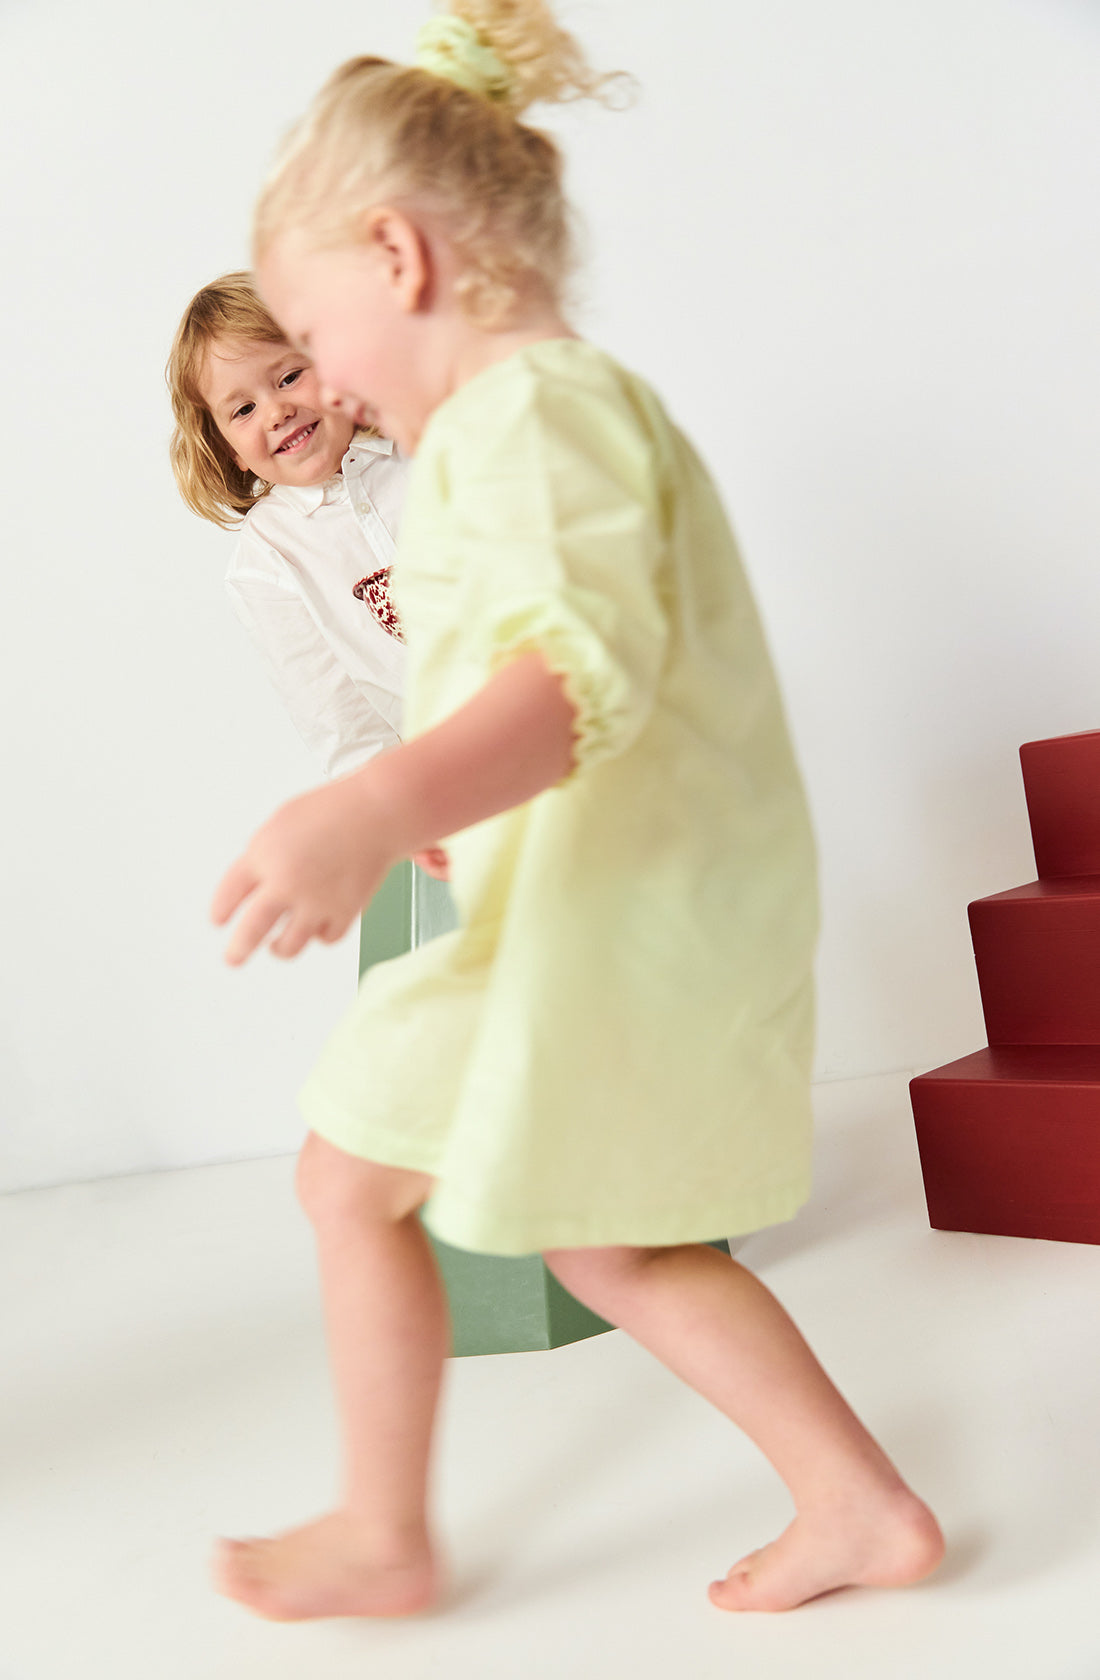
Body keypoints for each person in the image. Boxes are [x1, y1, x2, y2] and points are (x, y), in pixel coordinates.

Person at [210, 0, 945, 1621]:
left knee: (567, 1234)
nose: (319, 384)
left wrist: (378, 797)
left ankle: (848, 1504)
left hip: (627, 918)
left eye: (313, 334)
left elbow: (571, 681)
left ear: (399, 260)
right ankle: (400, 1529)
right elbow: (524, 679)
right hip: (562, 905)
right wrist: (445, 811)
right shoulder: (505, 434)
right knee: (394, 1190)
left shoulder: (540, 416)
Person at [166, 272, 449, 878]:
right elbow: (339, 719)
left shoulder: (425, 449)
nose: (277, 410)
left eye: (290, 375)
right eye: (242, 409)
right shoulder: (268, 559)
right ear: (229, 450)